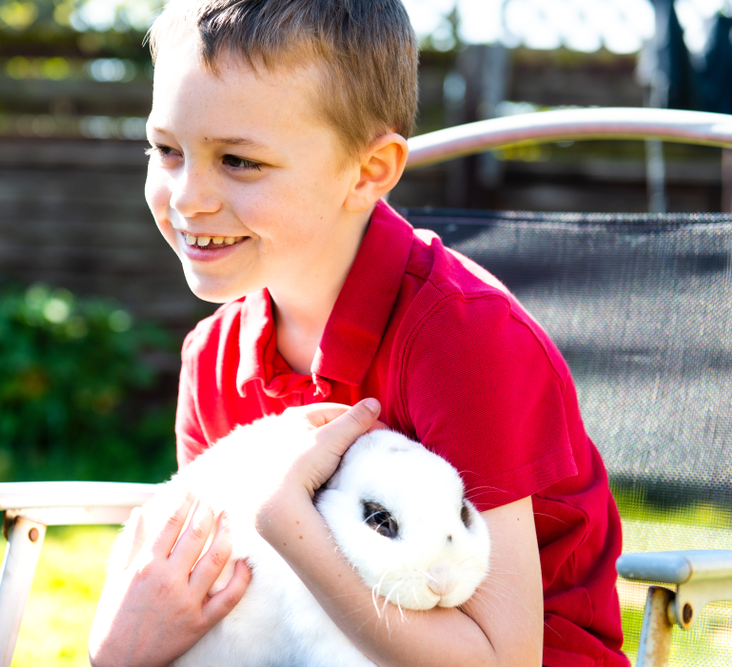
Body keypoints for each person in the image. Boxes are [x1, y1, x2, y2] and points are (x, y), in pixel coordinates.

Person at [89, 1, 628, 666]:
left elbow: (504, 657)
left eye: (237, 160)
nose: (187, 196)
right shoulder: (214, 359)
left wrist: (288, 525)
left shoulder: (462, 337)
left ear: (369, 171)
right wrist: (117, 653)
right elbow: (220, 612)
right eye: (167, 150)